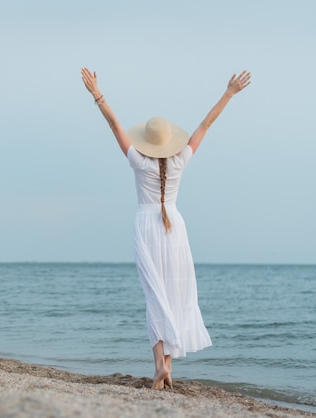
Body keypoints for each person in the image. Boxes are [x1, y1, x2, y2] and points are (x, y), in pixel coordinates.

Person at [81, 67, 251, 390]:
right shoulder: (179, 161)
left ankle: (160, 365)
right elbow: (205, 124)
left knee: (154, 297)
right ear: (169, 143)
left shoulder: (138, 161)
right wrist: (229, 93)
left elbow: (114, 125)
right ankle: (166, 368)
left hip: (146, 226)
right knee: (173, 296)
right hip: (175, 229)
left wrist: (96, 93)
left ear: (146, 142)